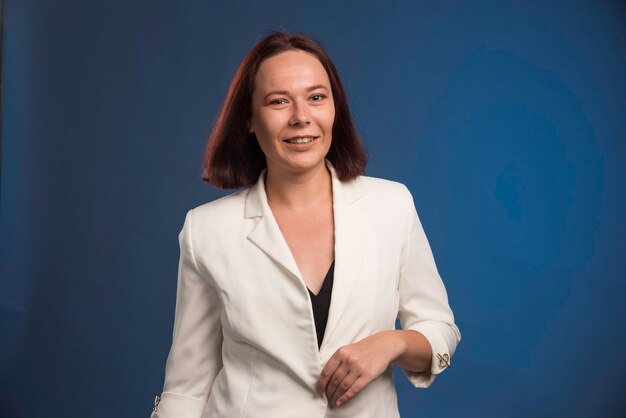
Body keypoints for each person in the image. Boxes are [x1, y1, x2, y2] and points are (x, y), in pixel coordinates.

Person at [151, 31, 461, 418]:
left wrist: (390, 343)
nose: (301, 117)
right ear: (248, 118)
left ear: (335, 108)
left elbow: (440, 329)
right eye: (278, 101)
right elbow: (187, 388)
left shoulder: (392, 204)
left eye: (316, 97)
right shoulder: (206, 230)